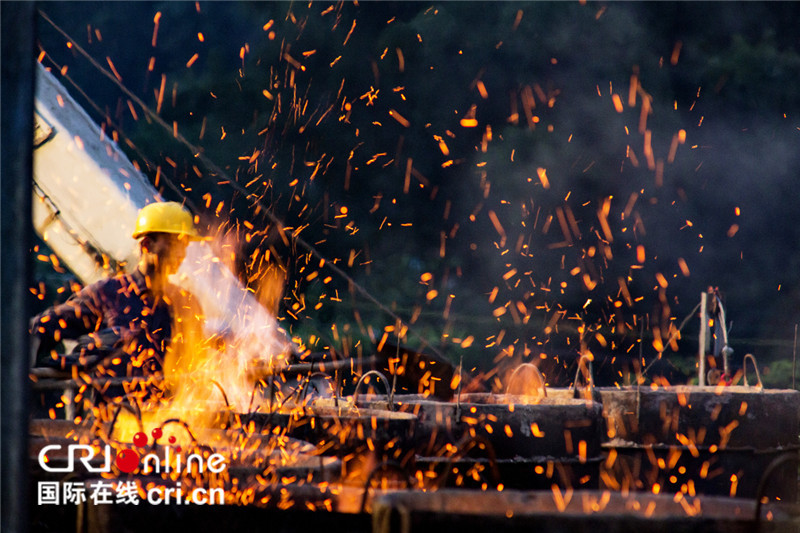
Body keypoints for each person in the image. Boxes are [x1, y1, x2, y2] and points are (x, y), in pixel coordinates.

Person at [30, 201, 205, 401]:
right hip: (111, 422)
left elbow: (199, 363)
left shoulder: (187, 304)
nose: (182, 255)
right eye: (174, 245)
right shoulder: (108, 294)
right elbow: (43, 326)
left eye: (184, 246)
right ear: (146, 244)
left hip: (170, 421)